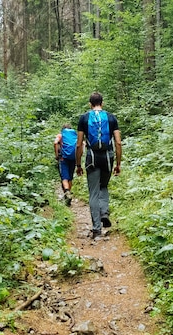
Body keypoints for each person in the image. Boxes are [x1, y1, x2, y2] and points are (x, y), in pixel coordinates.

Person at [75, 92, 122, 239]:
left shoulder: (84, 118)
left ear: (90, 104)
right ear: (102, 102)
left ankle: (96, 230)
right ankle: (104, 213)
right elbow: (118, 142)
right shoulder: (111, 117)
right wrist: (118, 163)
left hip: (92, 158)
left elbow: (78, 145)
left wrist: (78, 164)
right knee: (104, 186)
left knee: (93, 192)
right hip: (108, 157)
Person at [54, 123, 77, 206]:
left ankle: (67, 191)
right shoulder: (74, 135)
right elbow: (82, 144)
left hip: (63, 158)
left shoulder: (61, 135)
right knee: (70, 177)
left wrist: (57, 155)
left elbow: (55, 143)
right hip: (74, 158)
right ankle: (68, 194)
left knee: (64, 177)